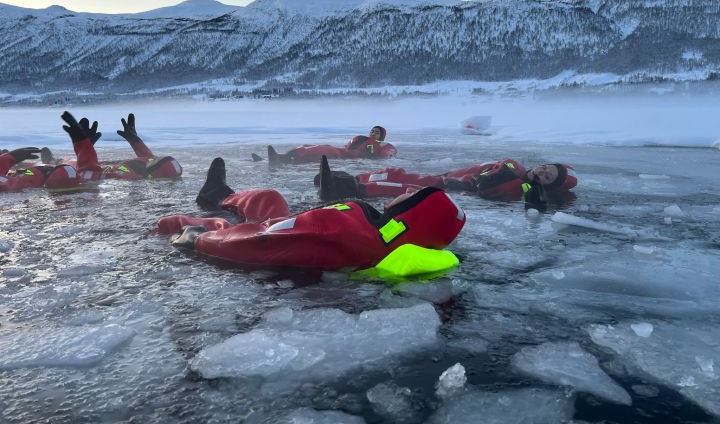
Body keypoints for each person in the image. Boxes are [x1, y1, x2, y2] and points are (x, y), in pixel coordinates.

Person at [156, 157, 466, 271]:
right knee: (269, 197)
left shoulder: (348, 227)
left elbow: (263, 240)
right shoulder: (381, 239)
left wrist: (201, 239)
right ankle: (219, 195)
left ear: (413, 213)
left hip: (260, 236)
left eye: (416, 195)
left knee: (261, 201)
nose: (408, 190)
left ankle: (214, 201)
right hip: (284, 229)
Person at [315, 156, 577, 206]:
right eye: (546, 167)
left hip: (456, 188)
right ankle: (342, 178)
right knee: (395, 172)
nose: (542, 171)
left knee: (402, 186)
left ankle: (342, 189)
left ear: (547, 185)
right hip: (453, 177)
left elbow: (487, 189)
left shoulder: (522, 188)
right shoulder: (515, 168)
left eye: (547, 176)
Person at [52, 112, 182, 180]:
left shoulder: (128, 175)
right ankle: (57, 160)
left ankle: (55, 161)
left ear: (153, 170)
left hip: (93, 166)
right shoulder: (149, 165)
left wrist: (84, 146)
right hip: (100, 163)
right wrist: (135, 140)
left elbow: (87, 175)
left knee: (69, 165)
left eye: (156, 161)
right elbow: (149, 159)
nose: (154, 158)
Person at [261, 125, 397, 165]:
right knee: (308, 146)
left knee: (320, 150)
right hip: (341, 151)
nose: (373, 133)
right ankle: (283, 157)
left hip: (346, 156)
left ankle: (284, 159)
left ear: (381, 136)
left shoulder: (381, 145)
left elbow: (386, 154)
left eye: (377, 132)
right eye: (372, 131)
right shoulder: (362, 139)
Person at [1, 146, 84, 193]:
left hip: (37, 173)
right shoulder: (80, 180)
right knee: (63, 166)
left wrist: (6, 160)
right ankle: (52, 161)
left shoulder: (30, 178)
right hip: (45, 172)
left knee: (21, 171)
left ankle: (17, 166)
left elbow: (9, 181)